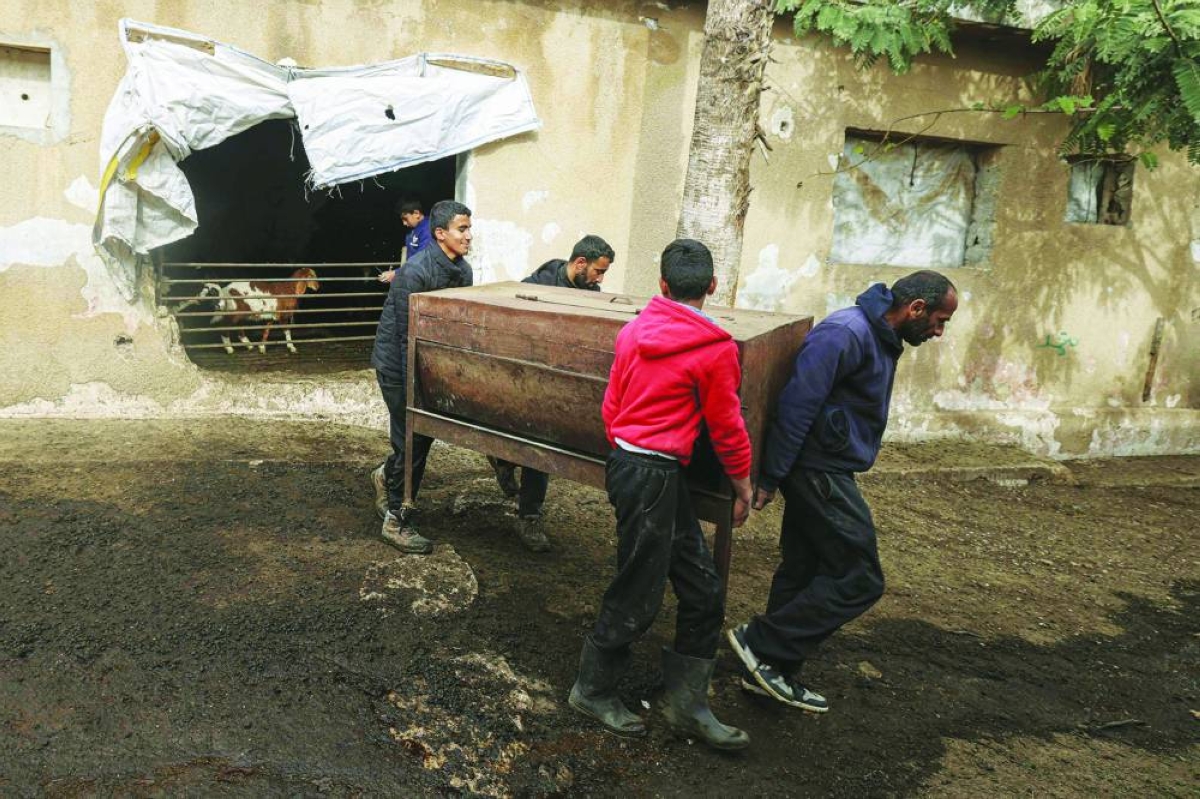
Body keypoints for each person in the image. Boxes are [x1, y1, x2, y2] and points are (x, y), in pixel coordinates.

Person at [726, 270, 959, 713]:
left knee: (805, 566)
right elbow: (796, 406)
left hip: (828, 466)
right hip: (818, 470)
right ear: (916, 309)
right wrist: (771, 477)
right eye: (939, 321)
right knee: (860, 577)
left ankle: (770, 673)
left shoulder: (881, 337)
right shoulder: (845, 333)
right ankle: (760, 643)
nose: (939, 332)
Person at [568, 238, 753, 751]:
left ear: (663, 286)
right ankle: (592, 689)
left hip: (636, 467)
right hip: (651, 474)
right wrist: (742, 483)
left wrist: (627, 447)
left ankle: (686, 705)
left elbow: (613, 401)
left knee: (702, 586)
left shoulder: (633, 331)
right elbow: (727, 427)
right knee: (638, 590)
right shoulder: (717, 349)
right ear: (712, 287)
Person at [487, 234, 616, 551]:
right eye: (598, 271)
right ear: (581, 263)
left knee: (543, 447)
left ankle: (527, 511)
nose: (600, 279)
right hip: (526, 375)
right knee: (534, 443)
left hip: (559, 381)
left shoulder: (592, 293)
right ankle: (509, 472)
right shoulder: (536, 285)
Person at [370, 200, 474, 553]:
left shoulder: (464, 272)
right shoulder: (415, 273)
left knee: (419, 439)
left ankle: (386, 476)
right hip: (399, 366)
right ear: (441, 233)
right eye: (462, 229)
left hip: (427, 365)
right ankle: (396, 521)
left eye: (469, 228)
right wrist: (415, 388)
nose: (468, 236)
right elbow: (403, 337)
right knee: (411, 440)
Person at [378, 200, 433, 284]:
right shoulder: (412, 230)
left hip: (424, 278)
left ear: (416, 213)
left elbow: (422, 259)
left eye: (405, 219)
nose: (404, 223)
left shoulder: (428, 229)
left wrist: (395, 273)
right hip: (413, 275)